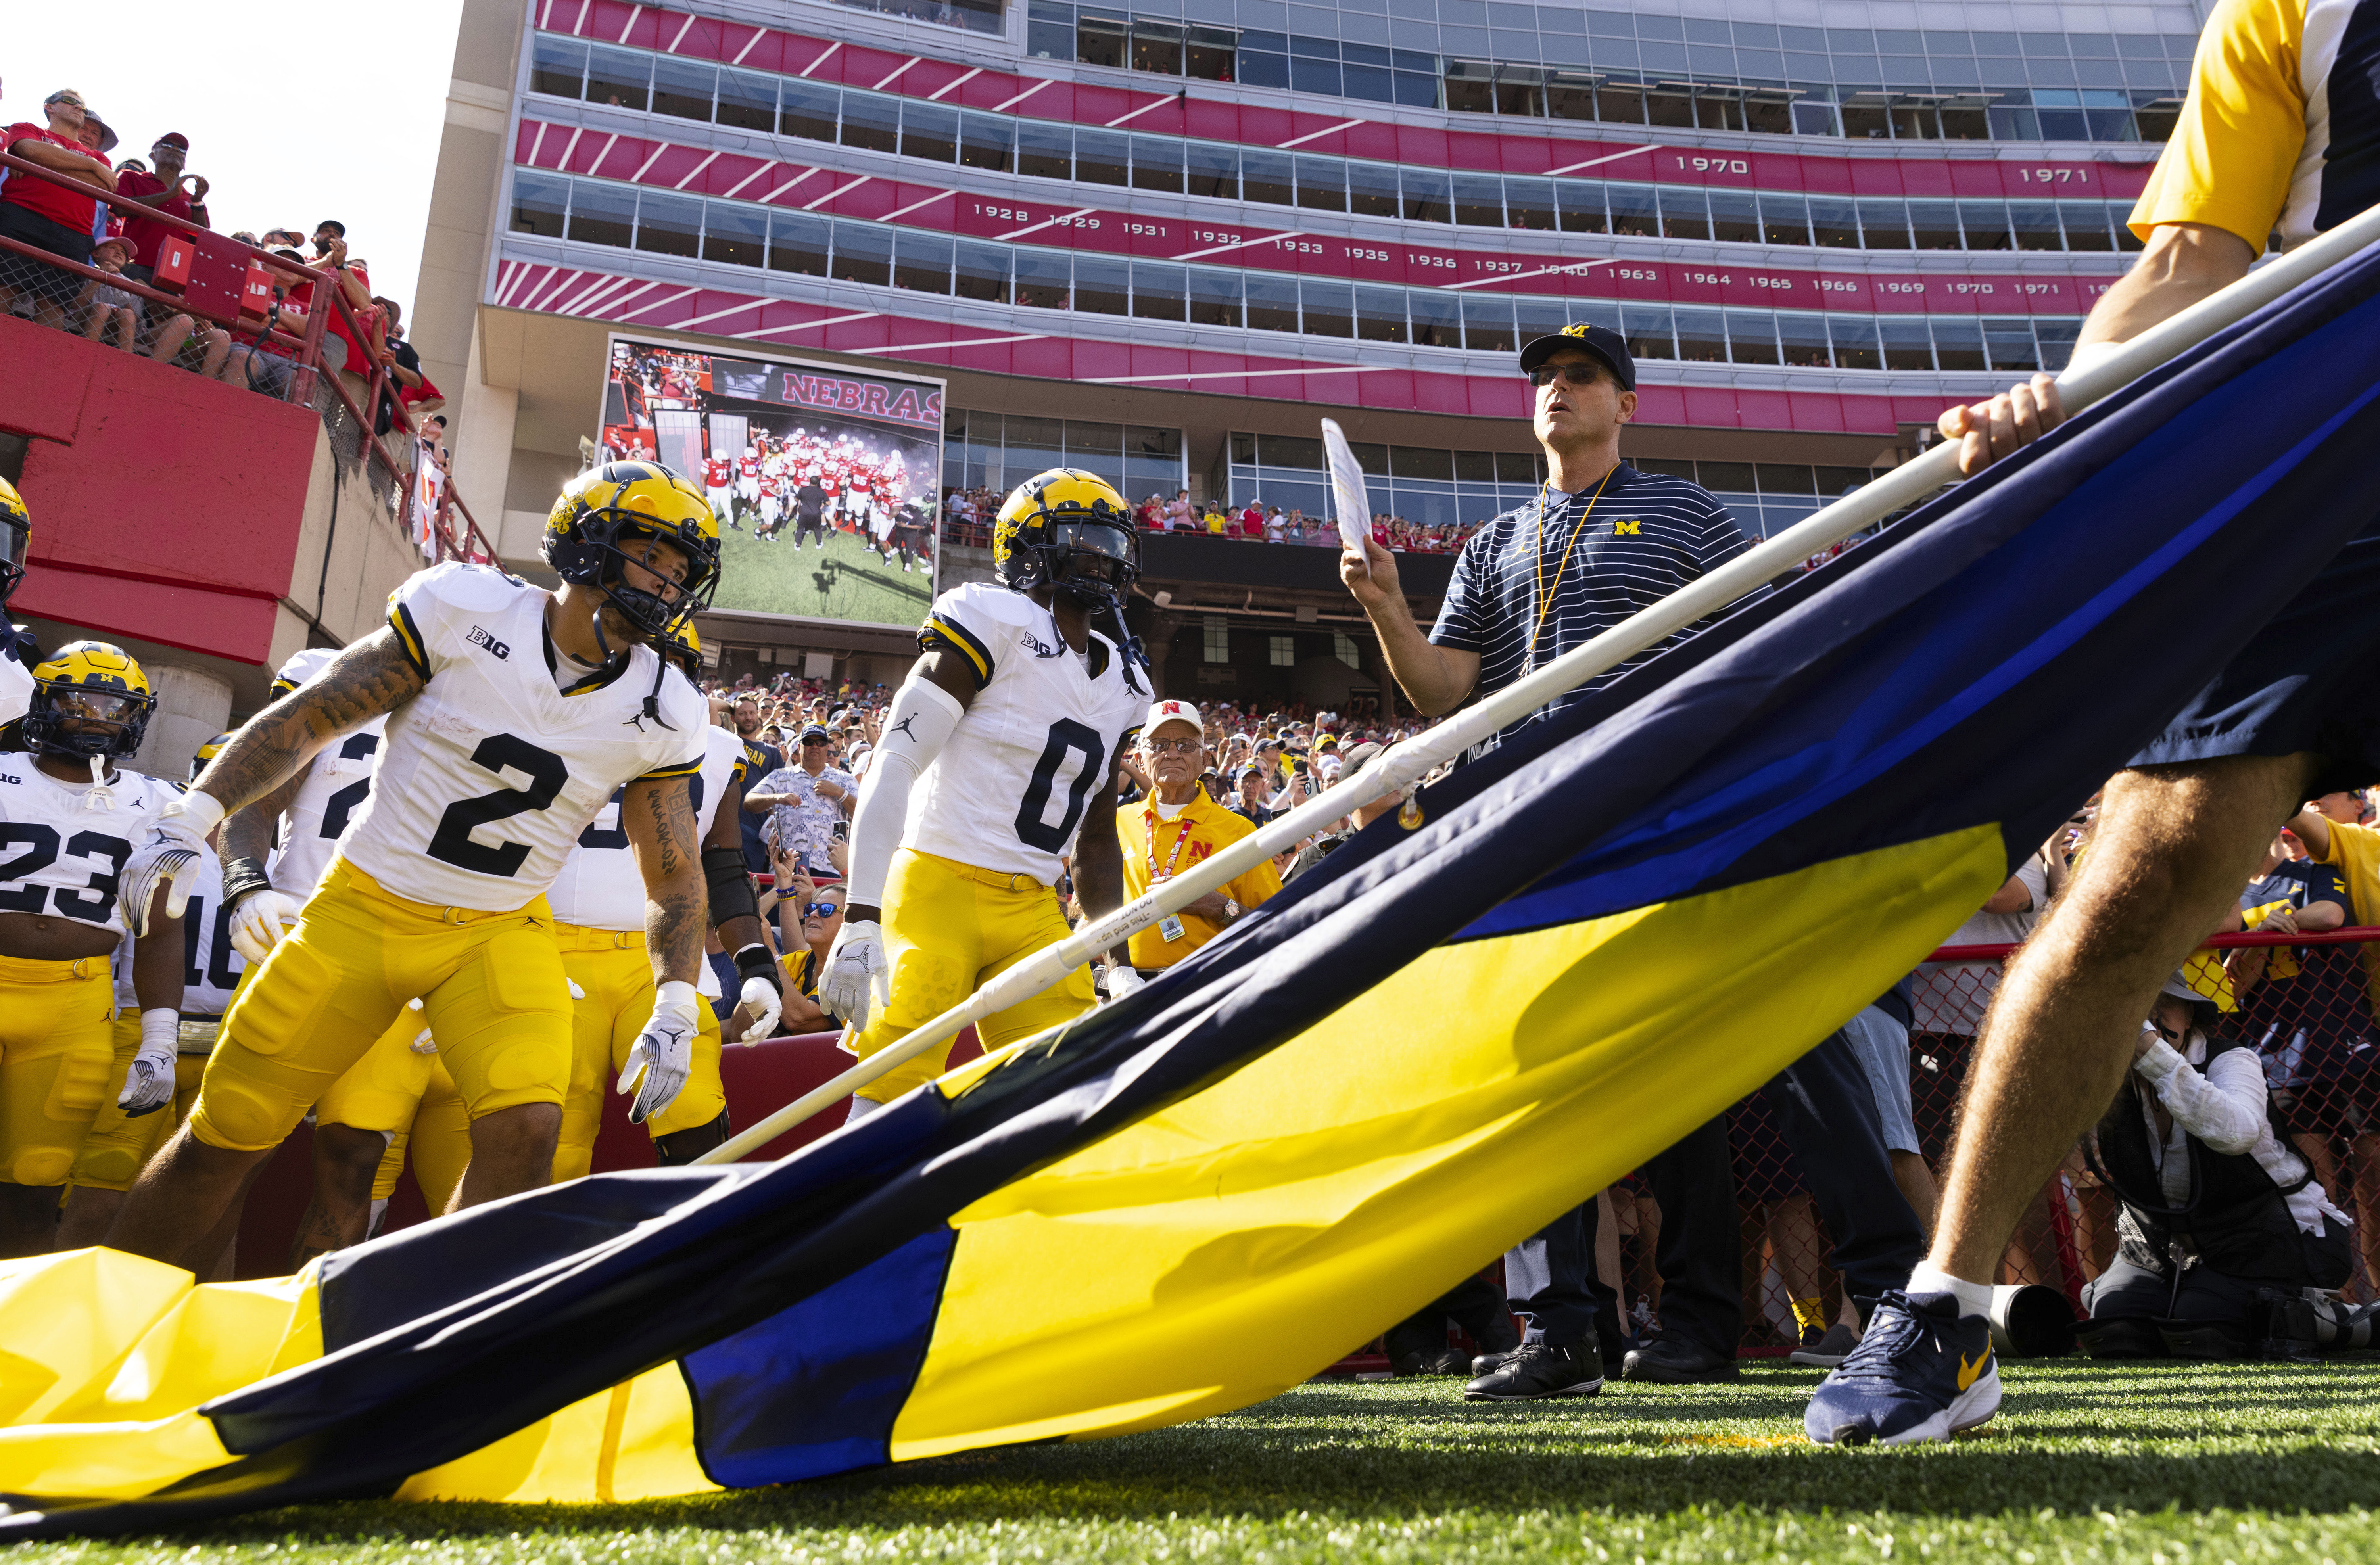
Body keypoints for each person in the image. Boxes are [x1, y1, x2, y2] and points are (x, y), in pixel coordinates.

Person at [1803, 0, 2380, 1445]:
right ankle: (1944, 1308)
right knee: (2128, 880)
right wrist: (2069, 409)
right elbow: (2193, 261)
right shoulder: (2290, 11)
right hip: (2321, 496)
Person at [101, 461, 720, 1272]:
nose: (669, 585)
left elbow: (671, 869)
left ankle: (416, 1336)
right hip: (365, 906)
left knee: (528, 1130)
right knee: (227, 1134)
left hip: (499, 927)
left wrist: (676, 994)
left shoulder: (666, 705)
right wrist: (197, 811)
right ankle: (104, 1319)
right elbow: (309, 716)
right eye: (656, 556)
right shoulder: (466, 612)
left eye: (683, 573)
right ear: (588, 541)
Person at [821, 468, 1147, 1120]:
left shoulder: (1126, 682)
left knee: (1066, 1099)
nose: (1104, 559)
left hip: (1032, 908)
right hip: (935, 885)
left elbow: (1098, 835)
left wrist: (1116, 959)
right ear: (1031, 550)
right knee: (884, 1104)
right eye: (1086, 540)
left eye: (1114, 544)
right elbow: (895, 759)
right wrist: (861, 914)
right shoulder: (990, 618)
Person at [1340, 324, 1756, 742]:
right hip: (1519, 786)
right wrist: (1386, 603)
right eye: (1544, 375)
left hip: (1647, 776)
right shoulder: (1490, 543)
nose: (1556, 383)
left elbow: (1766, 637)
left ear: (1625, 406)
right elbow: (1439, 693)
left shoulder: (1685, 508)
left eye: (1581, 375)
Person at [548, 627, 781, 1178]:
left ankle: (687, 1260)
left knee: (696, 1116)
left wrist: (755, 964)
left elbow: (722, 866)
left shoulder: (720, 750)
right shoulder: (548, 717)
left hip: (658, 962)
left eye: (670, 662)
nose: (653, 675)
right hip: (547, 947)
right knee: (551, 1134)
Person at [0, 644, 185, 1258]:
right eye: (79, 700)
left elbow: (159, 928)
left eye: (114, 704)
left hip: (74, 1005)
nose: (96, 715)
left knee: (37, 1183)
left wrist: (159, 1039)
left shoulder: (156, 803)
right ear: (44, 702)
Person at [2074, 975, 2359, 1358]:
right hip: (2168, 1245)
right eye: (2138, 1007)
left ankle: (2339, 1319)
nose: (2151, 1019)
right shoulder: (2107, 1077)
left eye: (2164, 1005)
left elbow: (2236, 1135)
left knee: (2205, 1327)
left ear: (2190, 1014)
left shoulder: (2232, 1058)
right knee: (2117, 1329)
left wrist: (2149, 1050)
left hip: (2270, 1234)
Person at [1114, 700, 1281, 980]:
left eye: (1186, 745)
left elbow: (1275, 924)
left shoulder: (1238, 830)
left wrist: (1216, 906)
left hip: (1209, 984)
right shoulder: (1119, 822)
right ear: (1140, 761)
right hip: (1130, 988)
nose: (1172, 754)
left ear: (1205, 759)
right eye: (1158, 745)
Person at [1, 90, 115, 331]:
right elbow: (30, 150)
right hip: (21, 218)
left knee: (53, 310)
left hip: (74, 234)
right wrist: (90, 166)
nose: (78, 108)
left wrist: (41, 163)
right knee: (3, 290)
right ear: (49, 107)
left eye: (82, 107)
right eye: (70, 101)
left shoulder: (100, 158)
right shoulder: (28, 129)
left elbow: (105, 186)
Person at [746, 724, 856, 878]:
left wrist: (840, 793)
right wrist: (777, 798)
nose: (815, 746)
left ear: (827, 747)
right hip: (788, 867)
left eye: (821, 743)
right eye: (809, 742)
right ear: (800, 747)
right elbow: (749, 801)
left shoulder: (844, 779)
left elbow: (863, 815)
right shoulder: (781, 776)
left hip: (831, 867)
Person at [112, 132, 208, 286]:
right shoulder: (132, 177)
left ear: (185, 163)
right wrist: (170, 195)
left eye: (182, 150)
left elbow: (203, 242)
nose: (176, 150)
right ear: (152, 156)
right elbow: (119, 209)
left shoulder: (192, 199)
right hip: (135, 265)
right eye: (168, 145)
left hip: (174, 273)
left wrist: (197, 203)